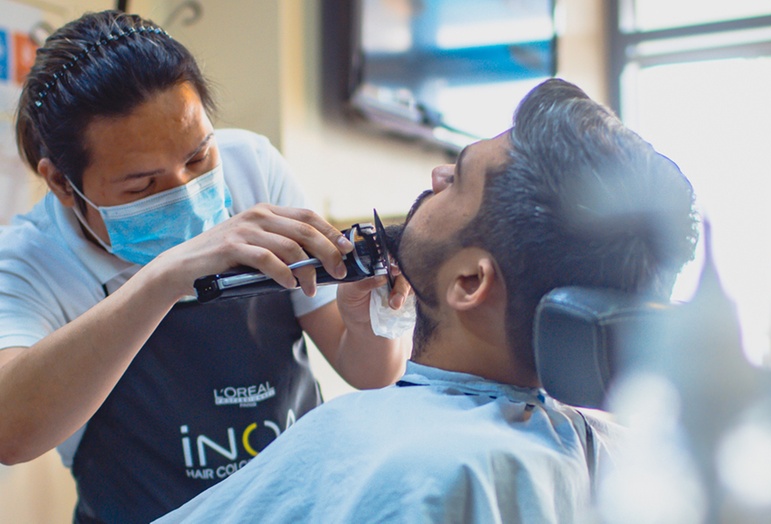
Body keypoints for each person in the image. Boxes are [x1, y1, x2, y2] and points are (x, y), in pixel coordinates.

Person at [155, 78, 700, 523]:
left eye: (458, 178)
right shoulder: (612, 452)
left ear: (468, 283)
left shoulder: (409, 467)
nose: (437, 176)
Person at [0, 10, 410, 523]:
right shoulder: (28, 260)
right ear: (61, 183)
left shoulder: (252, 168)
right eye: (141, 186)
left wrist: (365, 317)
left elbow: (369, 371)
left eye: (198, 158)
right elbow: (10, 432)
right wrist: (164, 279)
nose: (186, 193)